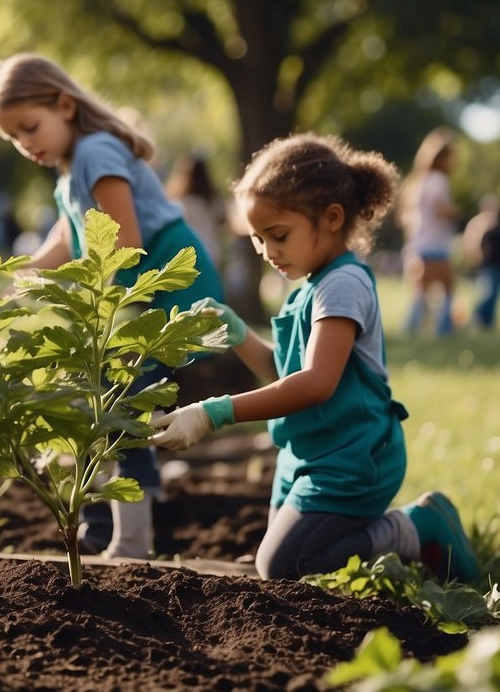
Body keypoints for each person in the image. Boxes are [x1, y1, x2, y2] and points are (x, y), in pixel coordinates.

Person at [149, 133, 480, 585]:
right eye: (259, 240)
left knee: (283, 567)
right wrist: (237, 333)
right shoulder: (308, 284)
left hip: (353, 458)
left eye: (278, 235)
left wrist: (215, 412)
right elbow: (284, 372)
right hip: (307, 453)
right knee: (277, 567)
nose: (268, 252)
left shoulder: (341, 285)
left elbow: (316, 383)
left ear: (331, 218)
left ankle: (414, 529)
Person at [0, 52, 226, 559]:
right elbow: (68, 240)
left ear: (65, 104)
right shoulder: (71, 168)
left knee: (116, 404)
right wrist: (23, 274)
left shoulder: (96, 152)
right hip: (143, 293)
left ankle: (132, 541)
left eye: (29, 127)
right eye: (14, 138)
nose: (26, 144)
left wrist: (74, 295)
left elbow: (124, 241)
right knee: (111, 399)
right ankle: (112, 519)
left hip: (173, 288)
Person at [399, 128, 460, 336]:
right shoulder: (438, 180)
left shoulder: (417, 181)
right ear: (442, 158)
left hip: (418, 243)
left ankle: (411, 328)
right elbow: (440, 207)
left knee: (421, 291)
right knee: (448, 287)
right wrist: (456, 211)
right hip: (434, 244)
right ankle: (444, 328)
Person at [462, 194, 500, 330]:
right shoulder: (479, 223)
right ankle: (476, 317)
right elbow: (470, 242)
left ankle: (489, 324)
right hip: (486, 264)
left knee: (496, 294)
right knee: (488, 293)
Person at [165, 152, 227, 268]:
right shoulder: (213, 198)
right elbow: (223, 221)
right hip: (212, 251)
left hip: (187, 253)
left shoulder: (180, 201)